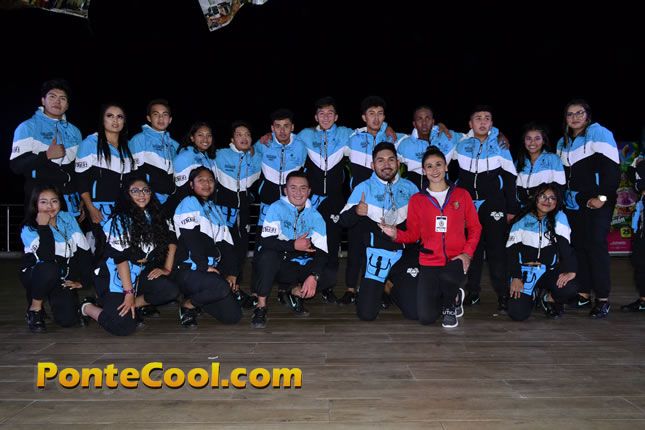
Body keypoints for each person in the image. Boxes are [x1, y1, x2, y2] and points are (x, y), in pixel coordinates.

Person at [380, 146, 481, 327]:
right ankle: (453, 296)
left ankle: (449, 306)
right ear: (424, 171)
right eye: (429, 166)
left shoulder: (462, 195)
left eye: (438, 164)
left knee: (448, 276)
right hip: (429, 261)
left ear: (446, 167)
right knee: (426, 318)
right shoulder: (417, 200)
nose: (434, 170)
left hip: (456, 259)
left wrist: (467, 254)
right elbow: (413, 235)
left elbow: (475, 228)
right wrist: (395, 234)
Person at [80, 177, 180, 335]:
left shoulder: (156, 215)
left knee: (169, 290)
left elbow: (172, 242)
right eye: (135, 191)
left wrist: (166, 269)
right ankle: (88, 307)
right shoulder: (120, 220)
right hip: (115, 275)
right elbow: (121, 259)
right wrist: (128, 293)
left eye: (145, 190)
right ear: (127, 194)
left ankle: (132, 305)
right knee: (123, 327)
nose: (141, 194)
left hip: (140, 273)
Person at [339, 142, 419, 321]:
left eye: (391, 160)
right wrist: (356, 211)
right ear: (372, 165)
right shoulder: (363, 188)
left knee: (414, 313)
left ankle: (389, 287)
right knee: (366, 315)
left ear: (398, 163)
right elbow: (343, 221)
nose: (386, 164)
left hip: (405, 255)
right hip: (378, 256)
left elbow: (422, 223)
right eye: (380, 161)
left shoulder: (411, 188)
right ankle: (381, 284)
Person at [556, 99, 619, 318]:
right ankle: (583, 294)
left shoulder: (599, 133)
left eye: (579, 113)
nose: (575, 117)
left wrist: (602, 197)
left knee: (596, 247)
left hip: (596, 202)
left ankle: (602, 299)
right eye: (570, 114)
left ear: (587, 115)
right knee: (579, 248)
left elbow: (612, 169)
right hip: (573, 203)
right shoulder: (563, 141)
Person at [452, 105, 518, 311]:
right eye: (478, 118)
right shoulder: (460, 143)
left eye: (487, 118)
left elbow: (510, 176)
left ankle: (503, 293)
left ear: (492, 123)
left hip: (493, 203)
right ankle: (473, 292)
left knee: (496, 249)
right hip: (468, 204)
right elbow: (441, 159)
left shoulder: (500, 144)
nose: (482, 122)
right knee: (472, 248)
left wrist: (512, 208)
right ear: (470, 123)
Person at [341, 96, 404, 305]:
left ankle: (382, 288)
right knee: (355, 247)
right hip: (360, 202)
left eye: (380, 114)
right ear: (363, 117)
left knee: (382, 248)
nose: (376, 118)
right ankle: (350, 289)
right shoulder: (352, 138)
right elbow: (326, 135)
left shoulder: (396, 139)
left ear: (384, 117)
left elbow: (423, 137)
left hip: (384, 207)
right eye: (371, 114)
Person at [250, 171, 328, 328]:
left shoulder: (316, 216)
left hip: (297, 262)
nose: (298, 192)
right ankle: (261, 306)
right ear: (285, 190)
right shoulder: (276, 208)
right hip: (278, 260)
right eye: (293, 188)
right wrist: (293, 245)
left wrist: (314, 276)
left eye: (303, 188)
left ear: (309, 191)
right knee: (267, 257)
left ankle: (292, 291)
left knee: (329, 276)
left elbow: (322, 252)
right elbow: (266, 241)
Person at [297, 97, 354, 303]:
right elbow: (284, 142)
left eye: (330, 113)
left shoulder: (345, 134)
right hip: (311, 200)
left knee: (332, 243)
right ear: (316, 117)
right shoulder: (306, 135)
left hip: (335, 199)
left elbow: (371, 133)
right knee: (308, 242)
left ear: (336, 117)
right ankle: (302, 284)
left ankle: (327, 287)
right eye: (322, 113)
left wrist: (387, 128)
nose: (326, 117)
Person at [172, 167, 243, 328]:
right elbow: (191, 239)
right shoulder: (189, 203)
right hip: (189, 269)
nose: (206, 184)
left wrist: (232, 273)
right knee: (221, 287)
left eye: (210, 180)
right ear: (191, 185)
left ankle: (200, 299)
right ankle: (188, 305)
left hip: (209, 271)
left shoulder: (214, 208)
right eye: (201, 180)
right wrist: (203, 266)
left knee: (232, 317)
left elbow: (227, 245)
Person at [20, 185, 92, 332]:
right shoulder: (29, 228)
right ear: (35, 204)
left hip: (61, 277)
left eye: (54, 201)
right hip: (37, 274)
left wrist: (84, 281)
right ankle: (35, 309)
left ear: (60, 202)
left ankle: (84, 304)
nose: (49, 206)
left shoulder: (67, 218)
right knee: (49, 267)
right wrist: (43, 227)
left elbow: (84, 250)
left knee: (68, 321)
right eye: (43, 202)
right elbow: (46, 256)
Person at [506, 183, 578, 320]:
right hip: (525, 272)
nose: (547, 201)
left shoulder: (560, 217)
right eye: (543, 196)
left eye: (552, 198)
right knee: (517, 314)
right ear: (535, 198)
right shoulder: (522, 218)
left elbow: (565, 247)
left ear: (557, 202)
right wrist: (516, 276)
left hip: (548, 271)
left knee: (570, 287)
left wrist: (571, 270)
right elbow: (511, 250)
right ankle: (531, 294)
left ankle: (548, 298)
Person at [10, 79, 82, 215]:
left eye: (62, 98)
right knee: (40, 229)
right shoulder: (27, 127)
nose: (57, 101)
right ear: (43, 100)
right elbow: (16, 166)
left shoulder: (75, 132)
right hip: (39, 199)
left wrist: (80, 199)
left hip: (70, 200)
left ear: (67, 105)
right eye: (52, 96)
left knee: (72, 229)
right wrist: (46, 155)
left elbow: (78, 170)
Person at [75, 103, 136, 254]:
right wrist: (90, 207)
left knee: (123, 246)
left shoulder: (127, 147)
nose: (115, 120)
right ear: (102, 120)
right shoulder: (90, 143)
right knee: (105, 248)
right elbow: (81, 179)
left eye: (119, 117)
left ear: (124, 122)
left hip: (123, 206)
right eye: (110, 116)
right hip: (99, 206)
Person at [214, 121, 261, 296]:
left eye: (247, 134)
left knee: (241, 250)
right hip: (223, 212)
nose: (244, 137)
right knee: (223, 249)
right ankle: (220, 287)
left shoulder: (256, 158)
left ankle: (235, 287)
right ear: (232, 139)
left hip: (244, 213)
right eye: (239, 134)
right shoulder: (220, 155)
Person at [254, 109, 307, 226]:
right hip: (267, 200)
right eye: (278, 126)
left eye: (286, 126)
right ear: (272, 128)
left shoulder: (301, 146)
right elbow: (248, 158)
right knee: (263, 233)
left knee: (290, 233)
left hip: (291, 202)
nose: (282, 131)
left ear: (292, 127)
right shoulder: (263, 143)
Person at [128, 99, 179, 206]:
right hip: (147, 199)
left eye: (165, 114)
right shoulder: (139, 139)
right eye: (156, 114)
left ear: (170, 119)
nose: (161, 118)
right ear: (149, 118)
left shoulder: (175, 145)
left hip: (170, 200)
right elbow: (134, 173)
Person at [396, 106, 460, 190]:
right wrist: (386, 128)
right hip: (416, 193)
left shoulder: (448, 137)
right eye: (419, 119)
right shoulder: (405, 145)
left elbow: (471, 137)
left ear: (433, 122)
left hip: (444, 192)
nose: (424, 123)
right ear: (414, 124)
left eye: (427, 118)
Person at [168, 121, 217, 211]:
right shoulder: (184, 157)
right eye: (200, 135)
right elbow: (181, 190)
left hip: (206, 207)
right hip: (190, 209)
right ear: (192, 138)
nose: (205, 139)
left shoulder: (209, 158)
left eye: (209, 135)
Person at [515, 122, 565, 207]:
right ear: (524, 141)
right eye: (528, 138)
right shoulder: (518, 162)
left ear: (543, 141)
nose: (532, 142)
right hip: (524, 209)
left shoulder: (553, 159)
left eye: (537, 138)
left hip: (547, 208)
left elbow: (559, 188)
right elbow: (516, 191)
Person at [621, 155, 645, 311]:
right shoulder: (640, 161)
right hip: (642, 219)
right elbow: (632, 175)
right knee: (640, 259)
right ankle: (643, 300)